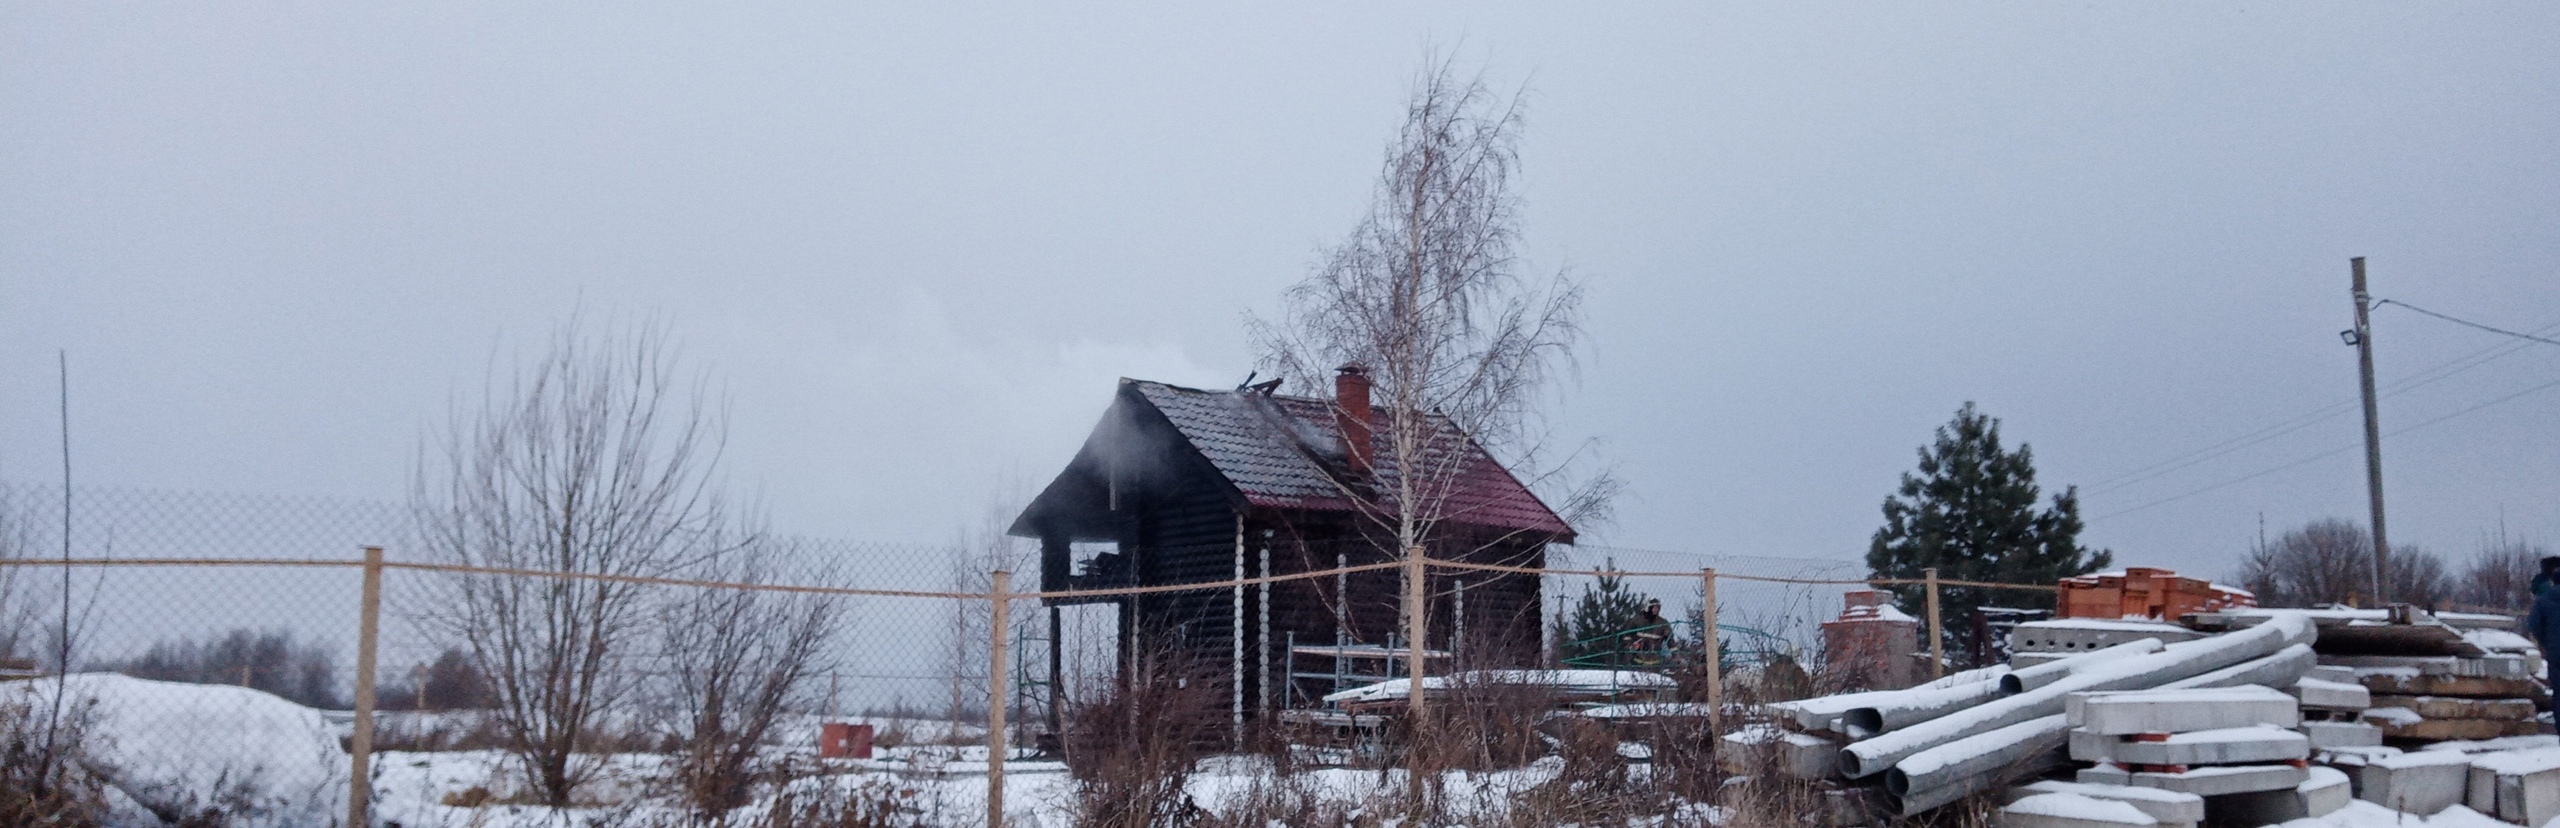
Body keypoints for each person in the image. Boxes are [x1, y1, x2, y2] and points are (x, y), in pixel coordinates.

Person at [2527, 580, 2560, 698]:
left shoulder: (2542, 601)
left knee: (2557, 689)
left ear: (2552, 582)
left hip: (2555, 652)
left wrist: (2546, 642)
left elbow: (2533, 625)